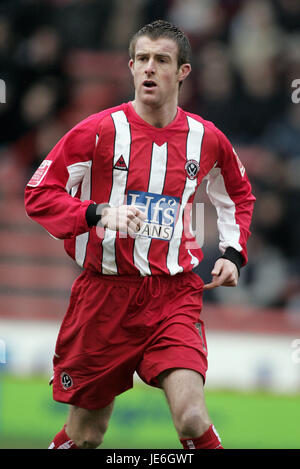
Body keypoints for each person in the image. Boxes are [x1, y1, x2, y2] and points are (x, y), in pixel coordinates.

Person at [25, 20, 255, 450]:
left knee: (191, 418)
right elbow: (38, 194)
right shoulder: (97, 132)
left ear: (183, 72)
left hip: (173, 295)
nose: (150, 68)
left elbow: (239, 194)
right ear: (131, 68)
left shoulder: (206, 138)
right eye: (142, 60)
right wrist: (95, 213)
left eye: (162, 60)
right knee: (86, 435)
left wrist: (233, 251)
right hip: (104, 297)